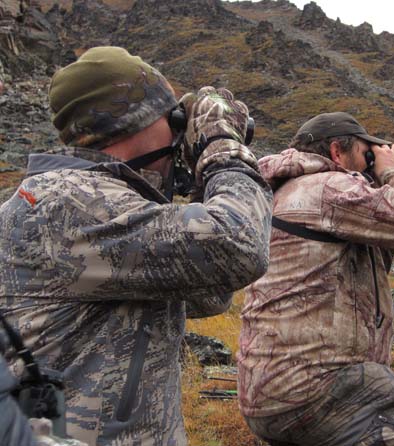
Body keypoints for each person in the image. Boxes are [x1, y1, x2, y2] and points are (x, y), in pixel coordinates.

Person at [0, 46, 272, 445]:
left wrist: (198, 186)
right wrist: (222, 147)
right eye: (172, 118)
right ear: (136, 123)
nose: (178, 132)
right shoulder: (71, 202)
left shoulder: (92, 201)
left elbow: (209, 292)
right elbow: (239, 247)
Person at [237, 112, 394, 446]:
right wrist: (393, 172)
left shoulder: (281, 192)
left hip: (270, 392)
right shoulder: (330, 187)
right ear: (338, 152)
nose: (370, 165)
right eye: (365, 154)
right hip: (321, 390)